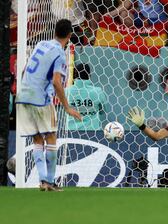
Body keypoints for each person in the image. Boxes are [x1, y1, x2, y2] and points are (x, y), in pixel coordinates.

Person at [16, 19, 82, 191]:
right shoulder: (59, 53)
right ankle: (49, 181)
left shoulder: (41, 43)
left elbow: (24, 70)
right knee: (51, 137)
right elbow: (56, 81)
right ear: (69, 35)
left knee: (37, 139)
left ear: (54, 31)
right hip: (40, 98)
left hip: (23, 95)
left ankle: (43, 180)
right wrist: (67, 106)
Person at [65, 63, 107, 130]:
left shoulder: (67, 92)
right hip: (93, 133)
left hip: (71, 133)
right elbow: (103, 111)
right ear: (89, 75)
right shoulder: (98, 91)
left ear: (74, 75)